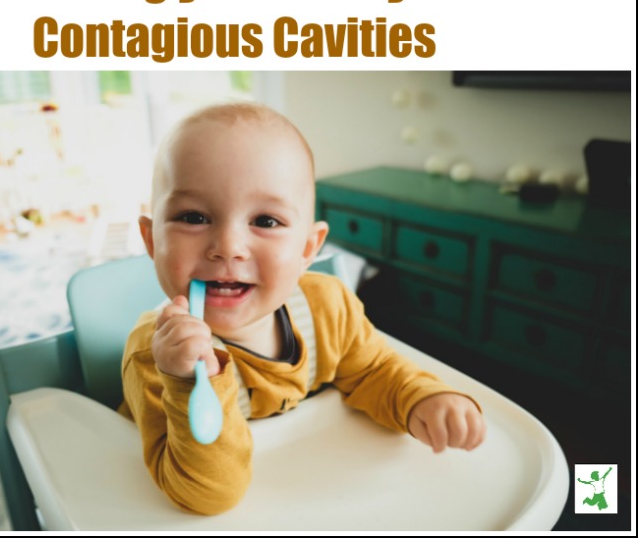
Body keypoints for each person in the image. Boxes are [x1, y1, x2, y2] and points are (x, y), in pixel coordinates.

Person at [118, 102, 486, 515]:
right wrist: (187, 380)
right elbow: (206, 495)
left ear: (309, 248)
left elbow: (373, 371)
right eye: (193, 216)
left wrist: (422, 399)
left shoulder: (326, 308)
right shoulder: (156, 357)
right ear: (151, 241)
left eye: (266, 221)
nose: (228, 247)